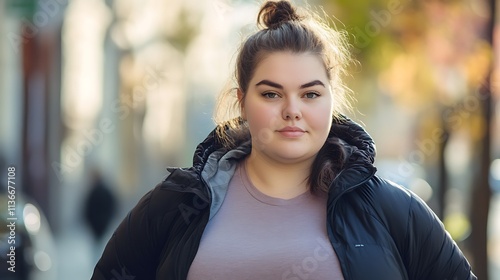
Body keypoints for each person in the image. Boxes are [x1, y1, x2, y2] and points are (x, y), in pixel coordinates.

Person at [91, 1, 476, 279]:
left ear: (331, 100)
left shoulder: (393, 210)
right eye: (271, 94)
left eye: (310, 94)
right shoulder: (177, 204)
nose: (292, 110)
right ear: (242, 101)